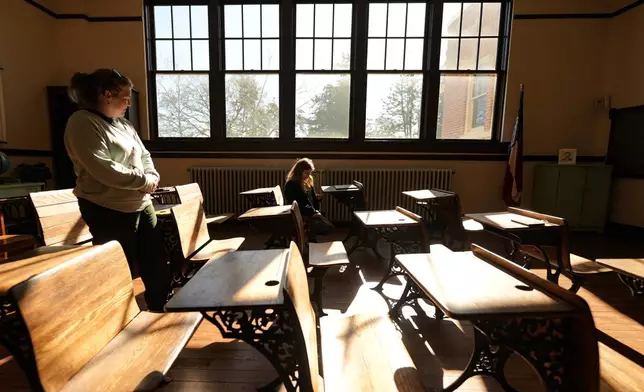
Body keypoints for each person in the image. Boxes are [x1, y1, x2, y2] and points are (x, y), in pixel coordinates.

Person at [64, 68, 171, 311]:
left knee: (155, 258)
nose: (129, 102)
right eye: (125, 97)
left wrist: (152, 175)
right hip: (106, 207)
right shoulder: (82, 122)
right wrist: (145, 182)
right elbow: (104, 169)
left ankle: (160, 307)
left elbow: (143, 155)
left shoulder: (123, 124)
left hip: (140, 204)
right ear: (106, 95)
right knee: (116, 267)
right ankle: (113, 316)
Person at [284, 158, 333, 240]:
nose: (308, 175)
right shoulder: (292, 184)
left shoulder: (307, 181)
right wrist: (312, 212)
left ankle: (313, 237)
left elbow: (309, 198)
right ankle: (312, 240)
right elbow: (298, 203)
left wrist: (316, 198)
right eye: (306, 173)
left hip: (308, 209)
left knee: (328, 226)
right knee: (322, 224)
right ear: (299, 171)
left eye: (310, 173)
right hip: (299, 212)